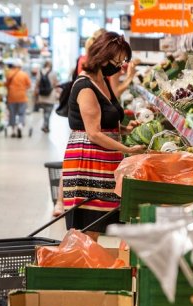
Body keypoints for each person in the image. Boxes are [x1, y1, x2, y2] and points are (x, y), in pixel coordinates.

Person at [63, 32, 145, 239]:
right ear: (102, 55)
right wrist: (127, 149)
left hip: (104, 160)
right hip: (88, 160)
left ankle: (88, 263)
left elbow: (107, 121)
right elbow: (94, 133)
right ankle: (82, 265)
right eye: (116, 59)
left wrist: (126, 130)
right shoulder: (85, 86)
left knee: (98, 222)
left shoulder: (103, 81)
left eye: (121, 60)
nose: (119, 64)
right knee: (89, 223)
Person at [5, 58, 31, 138]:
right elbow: (29, 85)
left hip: (11, 97)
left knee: (12, 113)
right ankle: (20, 125)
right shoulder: (24, 74)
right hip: (22, 97)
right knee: (21, 113)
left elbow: (6, 84)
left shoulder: (9, 73)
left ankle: (13, 131)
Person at [35, 60, 59, 133]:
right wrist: (58, 92)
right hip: (51, 94)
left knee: (45, 111)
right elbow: (56, 83)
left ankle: (46, 126)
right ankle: (45, 125)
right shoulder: (53, 73)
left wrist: (36, 91)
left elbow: (37, 83)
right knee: (48, 112)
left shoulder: (40, 72)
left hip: (42, 95)